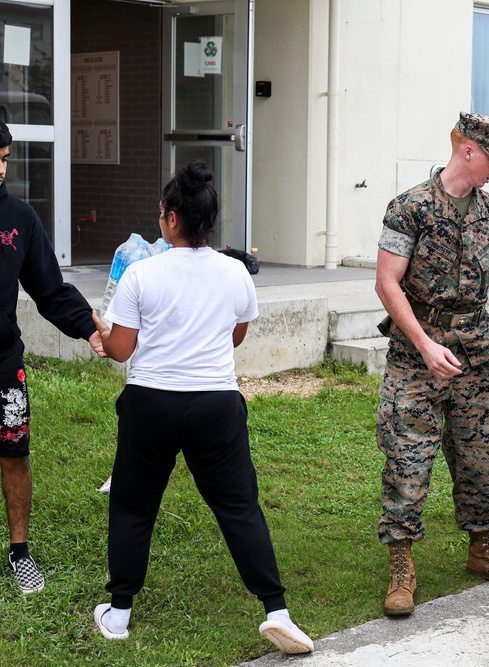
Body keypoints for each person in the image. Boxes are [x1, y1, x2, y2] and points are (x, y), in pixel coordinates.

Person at [90, 161, 313, 654]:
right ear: (210, 221)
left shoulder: (140, 274)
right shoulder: (235, 272)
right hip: (216, 405)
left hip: (150, 403)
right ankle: (277, 611)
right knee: (239, 507)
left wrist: (101, 333)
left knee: (132, 505)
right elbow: (235, 334)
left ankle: (119, 612)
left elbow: (122, 350)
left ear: (170, 219)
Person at [374, 112, 489, 617]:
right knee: (408, 457)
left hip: (474, 352)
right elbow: (387, 284)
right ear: (467, 150)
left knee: (481, 453)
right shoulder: (410, 207)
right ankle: (402, 567)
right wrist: (425, 344)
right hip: (416, 356)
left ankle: (481, 549)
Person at [0, 121, 106, 594]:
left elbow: (49, 289)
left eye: (4, 159)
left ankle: (19, 552)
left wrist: (88, 327)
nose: (0, 169)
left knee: (14, 452)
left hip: (3, 361)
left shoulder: (20, 219)